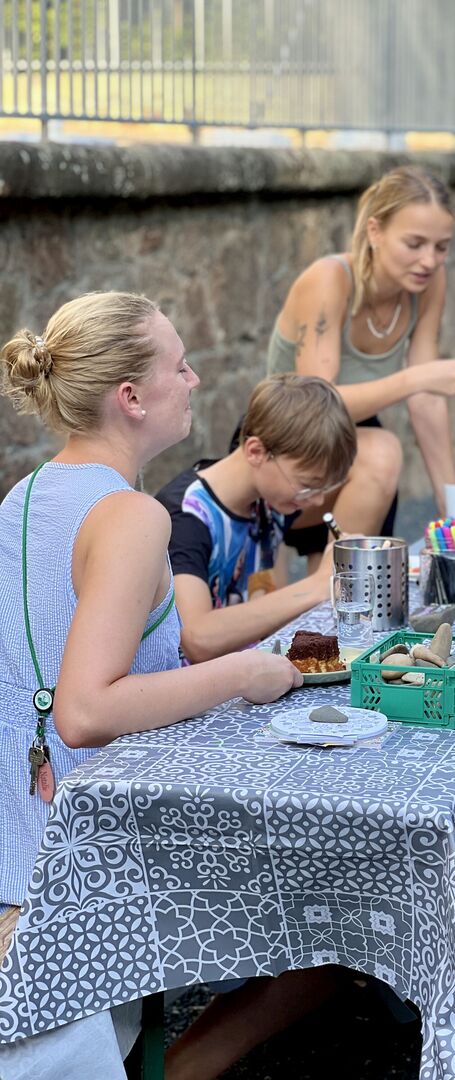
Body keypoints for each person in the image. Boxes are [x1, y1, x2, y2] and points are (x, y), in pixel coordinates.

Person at [0, 293, 338, 1080]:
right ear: (131, 397)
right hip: (89, 844)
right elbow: (85, 710)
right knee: (328, 895)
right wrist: (243, 672)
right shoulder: (132, 515)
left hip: (18, 821)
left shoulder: (24, 494)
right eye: (180, 367)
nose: (194, 380)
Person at [266, 164, 455, 561]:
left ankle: (340, 583)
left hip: (356, 444)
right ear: (375, 231)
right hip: (283, 441)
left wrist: (450, 502)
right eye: (414, 243)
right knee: (382, 452)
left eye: (441, 247)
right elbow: (315, 403)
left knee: (348, 583)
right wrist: (414, 379)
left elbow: (427, 398)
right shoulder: (329, 278)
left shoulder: (428, 283)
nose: (429, 260)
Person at [156, 373, 357, 662]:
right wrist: (316, 586)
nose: (316, 501)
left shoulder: (268, 498)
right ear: (255, 451)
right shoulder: (187, 515)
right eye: (308, 485)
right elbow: (196, 639)